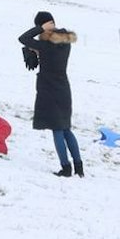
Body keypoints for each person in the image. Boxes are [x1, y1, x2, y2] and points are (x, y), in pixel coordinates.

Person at [19, 11, 82, 177]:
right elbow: (52, 56)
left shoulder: (46, 45)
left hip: (49, 89)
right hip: (64, 89)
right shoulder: (65, 42)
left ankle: (65, 168)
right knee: (66, 129)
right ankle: (79, 167)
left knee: (57, 131)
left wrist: (39, 29)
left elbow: (23, 38)